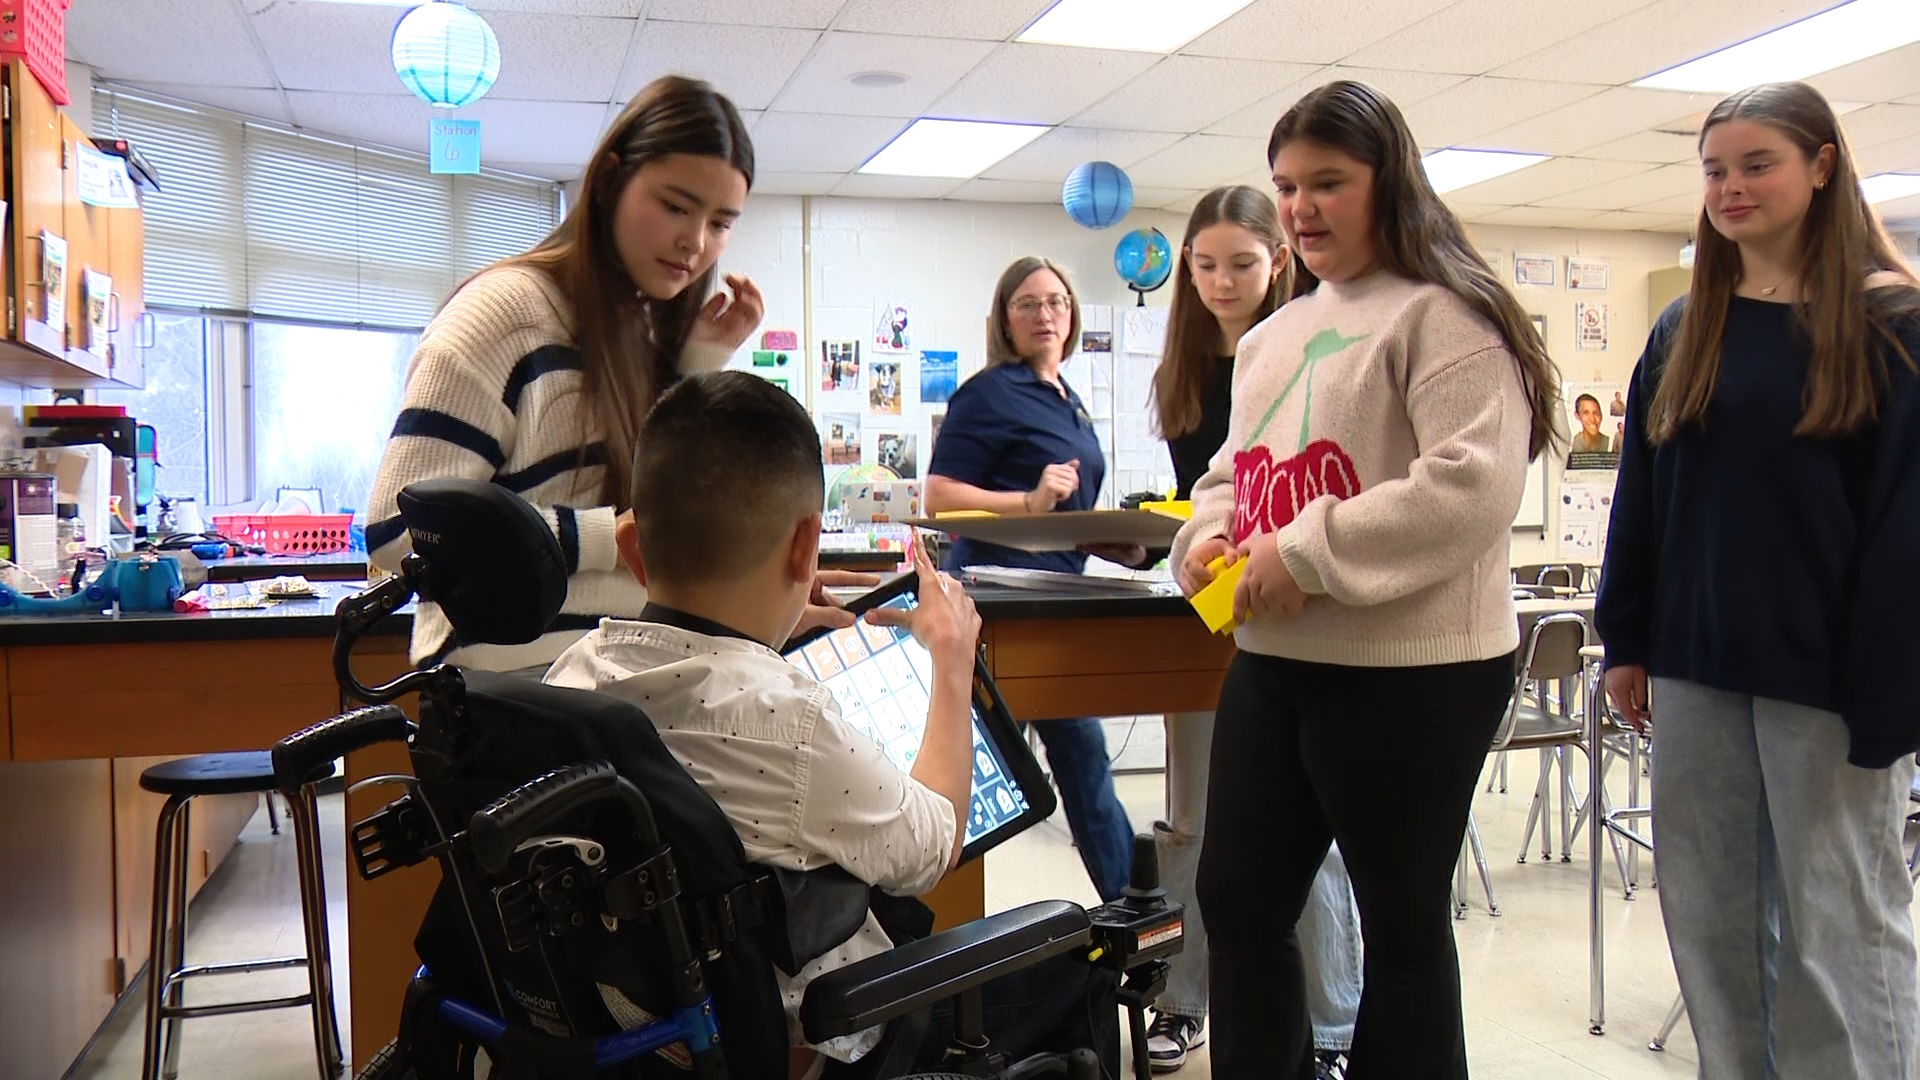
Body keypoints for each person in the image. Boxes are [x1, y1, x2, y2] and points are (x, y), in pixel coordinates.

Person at [546, 371, 1116, 1079]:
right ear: (805, 545)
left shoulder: (574, 674)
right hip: (821, 1033)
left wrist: (762, 631)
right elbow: (930, 845)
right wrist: (951, 663)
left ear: (630, 546)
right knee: (1075, 955)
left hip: (643, 1026)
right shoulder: (790, 724)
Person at [1171, 81, 1561, 1080]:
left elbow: (1473, 488)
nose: (1300, 208)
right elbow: (1229, 473)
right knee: (1241, 902)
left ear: (1391, 182)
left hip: (1412, 670)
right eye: (1287, 185)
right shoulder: (1274, 333)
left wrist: (1302, 553)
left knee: (1399, 930)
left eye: (1328, 184)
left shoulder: (1449, 315)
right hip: (1274, 659)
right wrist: (1208, 540)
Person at [1596, 81, 1920, 1080]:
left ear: (1822, 165)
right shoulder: (1686, 327)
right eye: (1715, 170)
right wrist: (1628, 638)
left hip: (1829, 684)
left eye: (1757, 164)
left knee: (1841, 933)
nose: (1730, 188)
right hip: (1697, 672)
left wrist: (1889, 694)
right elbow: (1645, 495)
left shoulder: (1893, 323)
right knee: (1713, 929)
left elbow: (1908, 525)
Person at [366, 76, 863, 673]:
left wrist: (763, 598)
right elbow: (399, 536)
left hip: (624, 689)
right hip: (527, 708)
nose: (696, 242)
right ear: (608, 182)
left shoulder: (639, 336)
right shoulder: (503, 315)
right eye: (676, 206)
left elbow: (648, 528)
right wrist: (607, 535)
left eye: (721, 222)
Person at [1144, 185, 1362, 1078]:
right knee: (1196, 817)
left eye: (1241, 262)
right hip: (1214, 612)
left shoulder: (1310, 346)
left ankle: (1335, 1023)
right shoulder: (1187, 370)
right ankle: (1184, 997)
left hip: (1300, 613)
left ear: (1279, 259)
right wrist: (1196, 547)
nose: (1222, 281)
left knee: (1308, 827)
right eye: (1204, 265)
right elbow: (1206, 500)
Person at [925, 257, 1140, 904]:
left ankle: (1136, 919)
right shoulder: (989, 392)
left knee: (1082, 765)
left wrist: (1123, 544)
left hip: (1056, 602)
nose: (1045, 315)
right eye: (1027, 304)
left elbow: (1065, 517)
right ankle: (923, 924)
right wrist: (1027, 501)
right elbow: (937, 495)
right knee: (979, 774)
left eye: (1056, 302)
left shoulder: (1069, 401)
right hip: (998, 606)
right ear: (1005, 320)